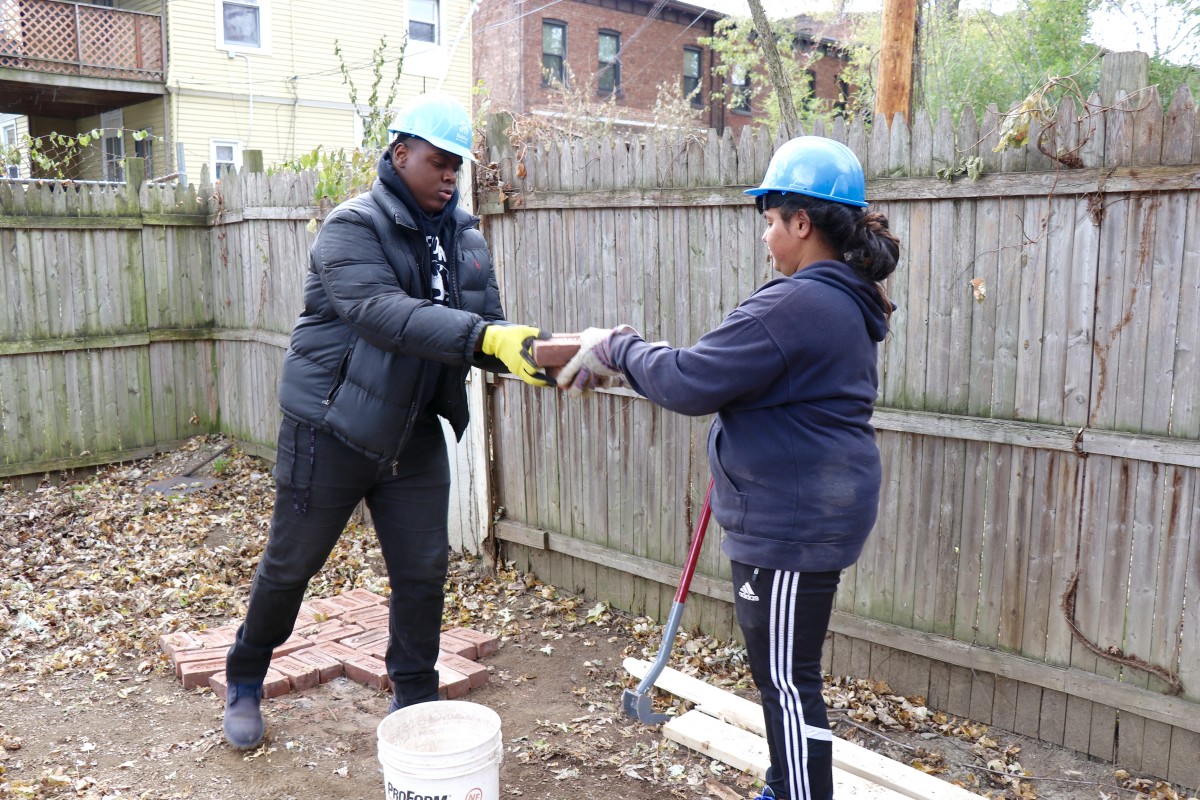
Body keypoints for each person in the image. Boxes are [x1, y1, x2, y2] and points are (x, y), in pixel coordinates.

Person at [557, 136, 900, 800]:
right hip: (807, 511)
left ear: (803, 222)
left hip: (792, 526)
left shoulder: (796, 304)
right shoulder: (839, 299)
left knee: (787, 682)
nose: (767, 235)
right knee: (785, 675)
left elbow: (689, 380)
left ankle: (796, 794)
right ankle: (788, 785)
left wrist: (616, 346)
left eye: (772, 220)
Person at [221, 92, 553, 750]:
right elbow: (383, 313)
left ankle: (415, 699)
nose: (451, 176)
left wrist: (546, 361)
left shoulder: (467, 242)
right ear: (400, 154)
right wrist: (486, 340)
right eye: (438, 161)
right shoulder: (352, 227)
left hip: (414, 434)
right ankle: (246, 676)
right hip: (330, 430)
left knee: (424, 573)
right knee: (291, 566)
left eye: (458, 165)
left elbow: (484, 330)